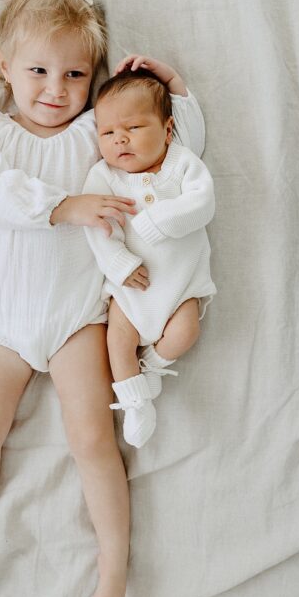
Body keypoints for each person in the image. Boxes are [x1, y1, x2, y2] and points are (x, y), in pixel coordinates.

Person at [0, 0, 205, 597]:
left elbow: (171, 148)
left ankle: (113, 557)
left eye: (75, 74)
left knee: (93, 439)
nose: (56, 88)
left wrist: (173, 88)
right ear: (5, 67)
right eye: (38, 70)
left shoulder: (91, 137)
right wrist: (64, 207)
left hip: (78, 320)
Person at [83, 67, 215, 447]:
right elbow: (97, 225)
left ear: (168, 130)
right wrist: (119, 264)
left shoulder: (182, 162)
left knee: (186, 331)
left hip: (180, 284)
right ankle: (135, 403)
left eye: (134, 128)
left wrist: (160, 220)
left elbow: (202, 203)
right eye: (107, 133)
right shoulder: (104, 176)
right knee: (117, 341)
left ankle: (152, 365)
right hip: (130, 287)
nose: (119, 139)